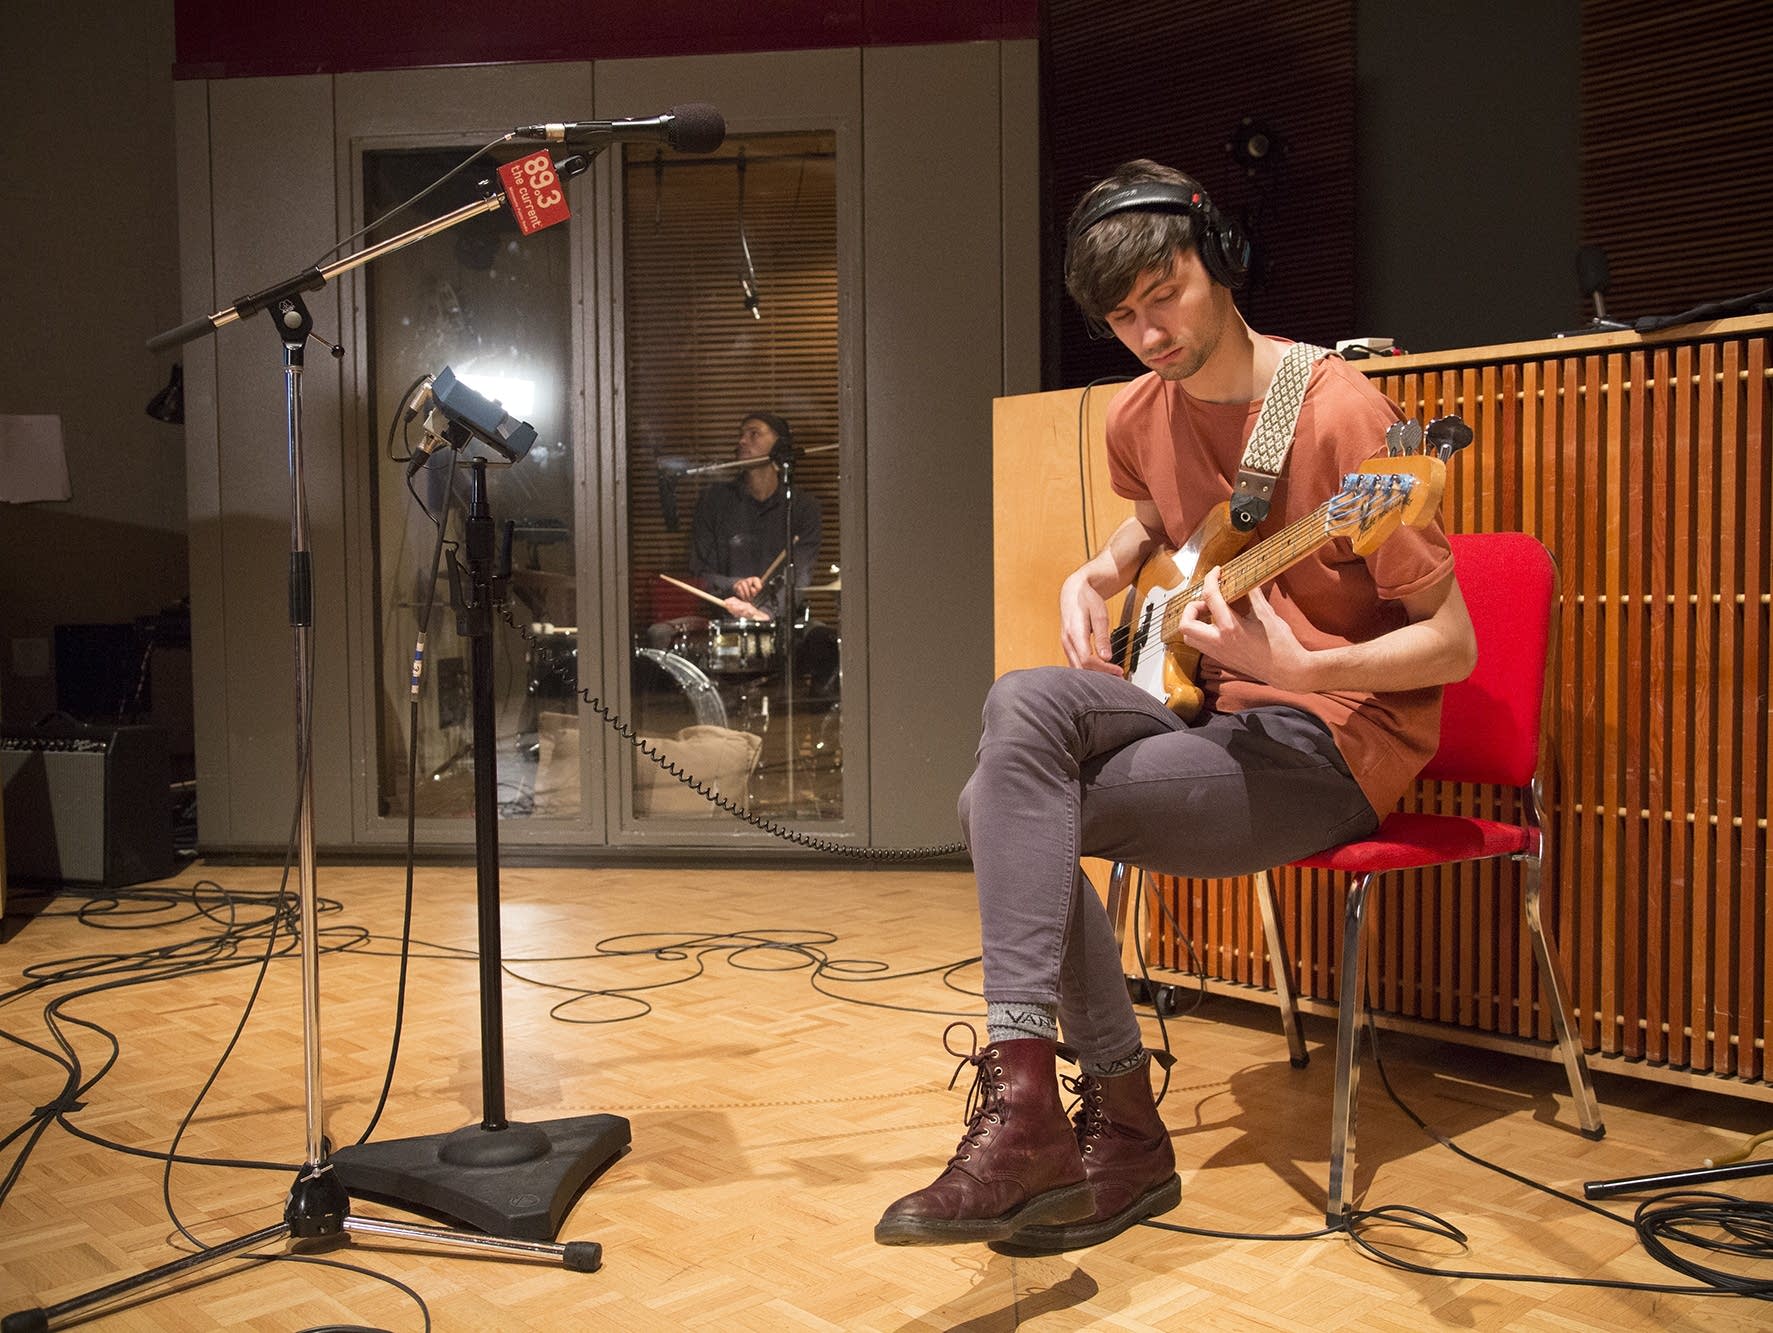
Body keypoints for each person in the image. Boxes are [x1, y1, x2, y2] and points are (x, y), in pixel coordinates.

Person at [873, 160, 1477, 1250]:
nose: (1151, 334)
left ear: (1222, 264)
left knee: (994, 812)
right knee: (1022, 702)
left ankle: (1099, 1120)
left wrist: (1303, 671)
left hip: (1329, 738)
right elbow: (1162, 527)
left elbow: (1453, 641)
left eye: (1168, 299)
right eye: (1124, 318)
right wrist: (1095, 575)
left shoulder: (1341, 417)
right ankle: (1040, 1113)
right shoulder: (1138, 413)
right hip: (1198, 696)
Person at [690, 411, 821, 624]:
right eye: (741, 435)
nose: (742, 441)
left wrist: (766, 614)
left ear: (779, 444)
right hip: (723, 618)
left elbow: (800, 577)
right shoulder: (713, 502)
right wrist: (733, 585)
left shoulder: (803, 508)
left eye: (754, 434)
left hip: (781, 622)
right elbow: (700, 571)